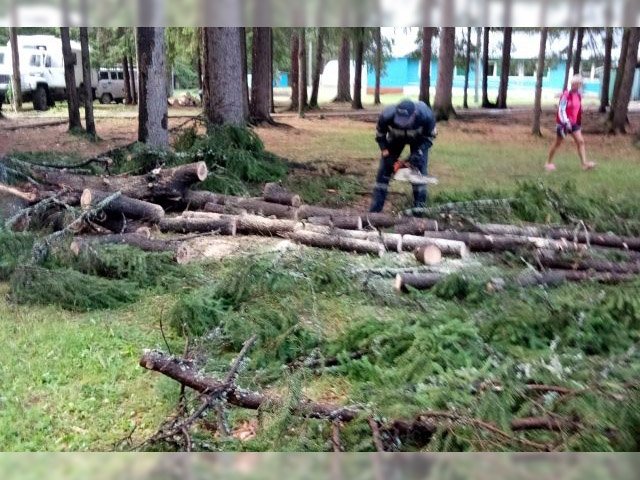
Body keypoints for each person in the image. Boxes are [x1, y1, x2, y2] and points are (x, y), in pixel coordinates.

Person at [369, 99, 437, 213]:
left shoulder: (426, 116)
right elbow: (380, 137)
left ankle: (419, 212)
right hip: (395, 138)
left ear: (414, 114)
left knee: (419, 174)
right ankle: (374, 212)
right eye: (399, 119)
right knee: (383, 172)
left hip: (419, 141)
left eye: (405, 120)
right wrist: (387, 157)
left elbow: (429, 140)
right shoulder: (386, 115)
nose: (401, 123)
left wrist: (416, 156)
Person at [546, 75, 595, 172]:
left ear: (579, 85)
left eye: (576, 84)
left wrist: (583, 110)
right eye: (572, 84)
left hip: (574, 123)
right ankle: (548, 163)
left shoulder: (579, 96)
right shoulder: (565, 95)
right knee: (557, 143)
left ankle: (584, 164)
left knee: (580, 141)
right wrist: (566, 122)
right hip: (563, 123)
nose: (573, 86)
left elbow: (577, 108)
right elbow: (561, 109)